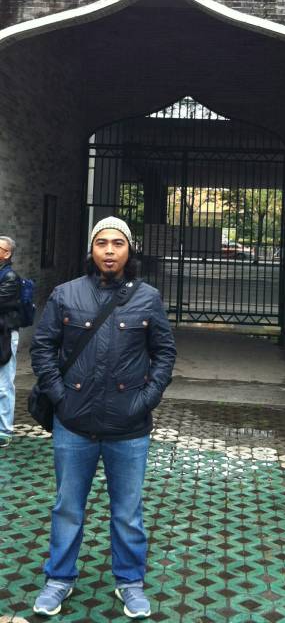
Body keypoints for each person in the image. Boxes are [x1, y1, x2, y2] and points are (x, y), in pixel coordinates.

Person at [31, 217, 176, 619]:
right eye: (101, 243)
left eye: (117, 243)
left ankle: (130, 582)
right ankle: (58, 578)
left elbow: (164, 352)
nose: (109, 251)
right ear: (91, 249)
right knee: (67, 507)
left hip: (129, 427)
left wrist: (146, 399)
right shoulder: (65, 294)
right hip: (74, 424)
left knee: (127, 511)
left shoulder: (147, 298)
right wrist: (60, 398)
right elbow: (42, 348)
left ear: (129, 249)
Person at [0, 235, 21, 448]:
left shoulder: (10, 277)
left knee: (4, 384)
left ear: (7, 253)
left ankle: (4, 430)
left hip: (5, 335)